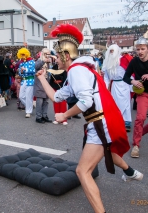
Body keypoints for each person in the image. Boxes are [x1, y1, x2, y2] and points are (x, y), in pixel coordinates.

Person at [36, 24, 143, 213]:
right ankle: (131, 172)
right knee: (108, 151)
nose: (55, 58)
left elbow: (85, 101)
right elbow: (56, 96)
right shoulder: (77, 71)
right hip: (102, 122)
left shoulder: (77, 71)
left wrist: (64, 115)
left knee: (82, 171)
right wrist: (42, 78)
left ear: (66, 55)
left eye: (57, 54)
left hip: (100, 124)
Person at [123, 37, 148, 158]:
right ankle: (136, 145)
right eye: (138, 49)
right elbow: (126, 77)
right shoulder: (134, 62)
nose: (140, 52)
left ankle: (139, 133)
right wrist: (132, 82)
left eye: (143, 49)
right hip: (142, 93)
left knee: (141, 123)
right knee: (140, 118)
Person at [102, 44, 132, 132]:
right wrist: (105, 87)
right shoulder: (107, 62)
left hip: (124, 84)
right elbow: (106, 77)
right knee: (116, 103)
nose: (111, 53)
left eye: (113, 51)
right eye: (110, 51)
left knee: (125, 104)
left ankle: (126, 122)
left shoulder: (123, 60)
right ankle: (118, 121)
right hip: (114, 85)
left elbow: (130, 73)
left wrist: (132, 84)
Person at [34, 48, 52, 123]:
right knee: (39, 101)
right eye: (47, 54)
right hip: (39, 84)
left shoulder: (48, 63)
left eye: (49, 54)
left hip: (46, 83)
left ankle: (44, 116)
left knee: (46, 101)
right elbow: (36, 66)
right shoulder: (39, 61)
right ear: (44, 54)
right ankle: (38, 117)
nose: (48, 55)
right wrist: (44, 61)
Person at [18, 48, 35, 118]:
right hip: (24, 81)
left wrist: (26, 69)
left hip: (30, 81)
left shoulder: (32, 62)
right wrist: (21, 72)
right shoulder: (21, 63)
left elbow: (34, 71)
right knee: (21, 96)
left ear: (26, 54)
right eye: (21, 55)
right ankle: (30, 106)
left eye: (23, 54)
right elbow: (20, 73)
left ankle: (28, 112)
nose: (22, 56)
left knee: (28, 96)